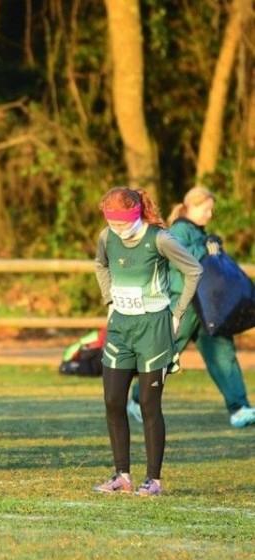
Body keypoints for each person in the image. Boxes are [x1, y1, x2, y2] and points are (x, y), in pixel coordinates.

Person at [93, 187, 202, 497]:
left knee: (149, 405)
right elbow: (100, 265)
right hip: (120, 328)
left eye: (121, 224)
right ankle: (122, 476)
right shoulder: (107, 237)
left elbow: (194, 270)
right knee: (114, 402)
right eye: (112, 224)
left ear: (135, 215)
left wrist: (177, 313)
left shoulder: (160, 239)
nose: (117, 231)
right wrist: (109, 301)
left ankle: (153, 480)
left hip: (154, 329)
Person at [127, 187, 255, 428]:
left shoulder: (198, 232)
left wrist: (213, 248)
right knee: (164, 354)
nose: (210, 214)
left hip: (208, 306)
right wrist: (206, 249)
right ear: (193, 206)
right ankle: (137, 399)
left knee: (223, 355)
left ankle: (239, 408)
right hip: (183, 304)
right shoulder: (177, 231)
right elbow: (180, 259)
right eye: (207, 209)